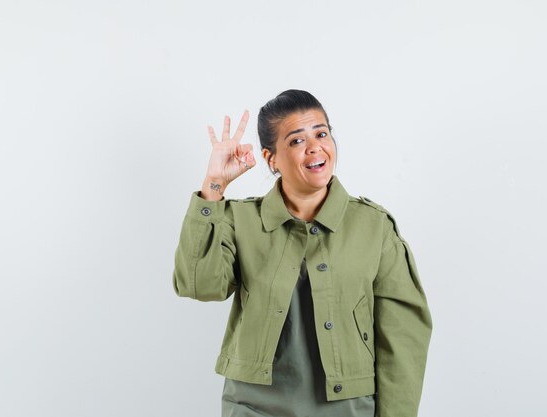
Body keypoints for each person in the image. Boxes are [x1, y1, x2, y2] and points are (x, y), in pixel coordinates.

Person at [173, 90, 432, 417]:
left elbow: (404, 336)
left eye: (322, 134)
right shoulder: (239, 221)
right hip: (255, 406)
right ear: (271, 159)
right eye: (296, 141)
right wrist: (213, 187)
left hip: (348, 408)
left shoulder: (374, 226)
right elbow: (199, 285)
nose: (314, 147)